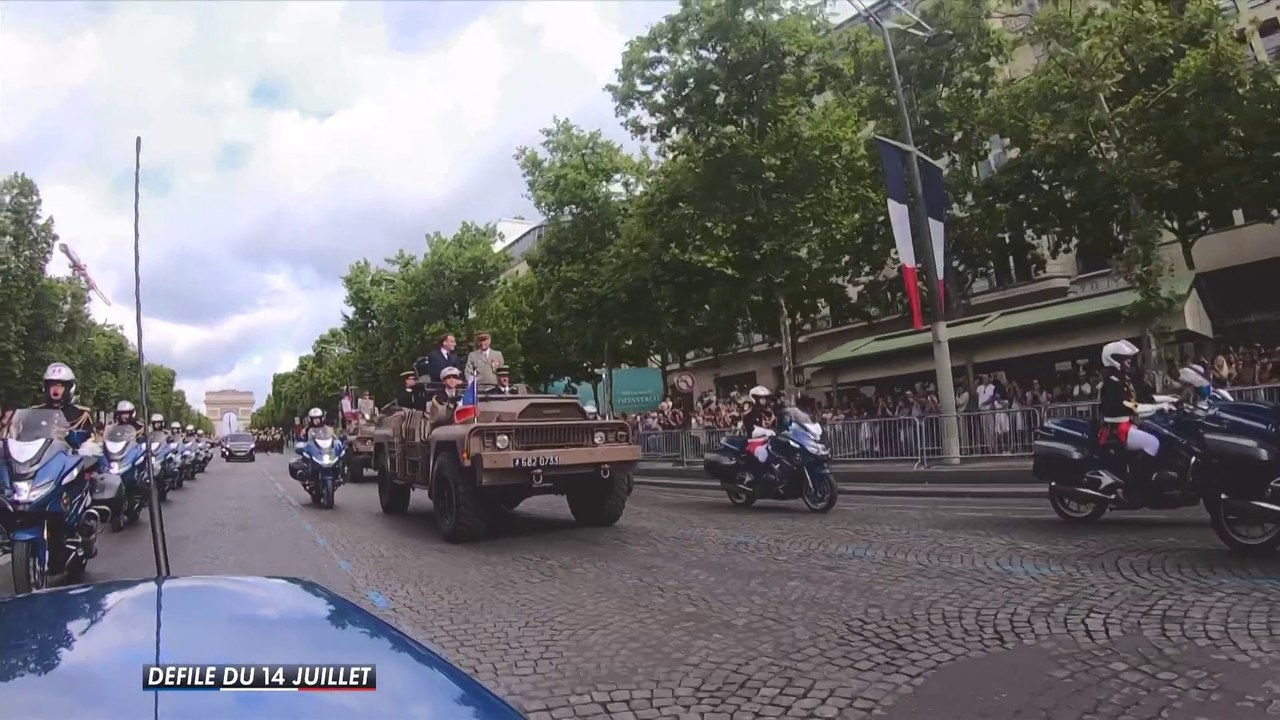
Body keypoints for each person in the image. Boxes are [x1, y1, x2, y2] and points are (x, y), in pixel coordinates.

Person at [1098, 340, 1178, 493]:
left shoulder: (1123, 379)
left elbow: (1142, 398)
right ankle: (1138, 482)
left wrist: (1170, 399)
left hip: (1125, 426)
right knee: (1152, 443)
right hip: (1117, 430)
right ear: (1115, 359)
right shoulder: (1111, 383)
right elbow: (1131, 406)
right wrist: (1159, 407)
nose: (1129, 361)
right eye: (1125, 358)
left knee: (1158, 434)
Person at [32, 362, 95, 436]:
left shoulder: (81, 414)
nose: (55, 389)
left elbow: (87, 442)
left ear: (69, 388)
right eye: (52, 385)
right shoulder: (35, 413)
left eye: (60, 386)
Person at [740, 385, 777, 485]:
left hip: (767, 440)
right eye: (761, 398)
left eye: (765, 398)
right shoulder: (749, 413)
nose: (764, 400)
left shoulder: (766, 412)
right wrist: (765, 431)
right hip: (754, 443)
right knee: (762, 453)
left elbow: (774, 424)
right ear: (755, 398)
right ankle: (756, 477)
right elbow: (752, 431)